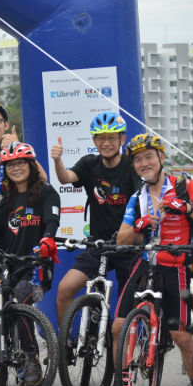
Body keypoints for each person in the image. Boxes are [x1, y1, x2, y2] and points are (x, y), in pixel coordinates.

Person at [95, 134, 193, 386]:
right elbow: (122, 240)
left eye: (149, 156)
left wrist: (185, 207)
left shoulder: (183, 186)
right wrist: (138, 226)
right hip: (146, 264)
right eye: (138, 160)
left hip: (176, 266)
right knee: (118, 327)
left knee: (182, 337)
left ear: (161, 158)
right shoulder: (137, 198)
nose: (144, 163)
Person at [0, 142, 61, 386]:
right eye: (11, 165)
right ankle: (10, 359)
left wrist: (47, 239)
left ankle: (32, 362)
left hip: (37, 266)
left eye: (21, 163)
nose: (16, 168)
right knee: (6, 306)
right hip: (11, 267)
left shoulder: (46, 192)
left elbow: (52, 221)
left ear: (31, 166)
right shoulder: (9, 199)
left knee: (20, 301)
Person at [51, 112, 142, 327]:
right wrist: (57, 160)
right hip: (99, 245)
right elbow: (65, 178)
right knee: (64, 289)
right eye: (101, 137)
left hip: (128, 247)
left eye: (112, 137)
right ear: (94, 140)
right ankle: (65, 344)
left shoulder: (131, 166)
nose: (106, 142)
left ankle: (119, 340)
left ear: (122, 139)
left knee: (126, 308)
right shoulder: (89, 163)